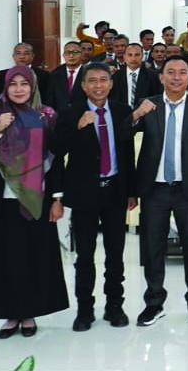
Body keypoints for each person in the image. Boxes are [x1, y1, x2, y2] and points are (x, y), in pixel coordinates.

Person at [0, 66, 69, 338]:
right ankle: (9, 314)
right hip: (1, 201)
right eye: (12, 84)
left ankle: (29, 313)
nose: (18, 89)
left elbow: (55, 158)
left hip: (37, 199)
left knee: (33, 258)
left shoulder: (46, 116)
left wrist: (58, 198)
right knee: (2, 260)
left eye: (23, 84)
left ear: (33, 86)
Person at [129, 56, 188, 327]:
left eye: (182, 72)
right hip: (153, 190)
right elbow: (123, 136)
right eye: (171, 72)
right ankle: (154, 303)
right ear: (161, 77)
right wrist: (135, 115)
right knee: (153, 248)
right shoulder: (148, 105)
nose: (176, 77)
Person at [51, 62, 137, 331]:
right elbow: (56, 150)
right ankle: (85, 310)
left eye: (104, 80)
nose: (98, 85)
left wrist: (131, 191)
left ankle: (115, 307)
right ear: (84, 85)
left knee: (115, 255)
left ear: (111, 84)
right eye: (93, 81)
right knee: (85, 255)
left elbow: (127, 154)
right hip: (84, 193)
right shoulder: (70, 113)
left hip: (115, 191)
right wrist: (77, 127)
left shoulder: (123, 111)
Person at [0, 42, 52, 107]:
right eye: (18, 53)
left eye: (26, 53)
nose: (22, 56)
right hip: (9, 116)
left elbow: (50, 100)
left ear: (32, 56)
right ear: (13, 56)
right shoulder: (3, 75)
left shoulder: (44, 75)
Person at [112, 44, 162, 110]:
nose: (133, 58)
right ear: (124, 56)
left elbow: (156, 98)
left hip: (146, 116)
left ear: (142, 56)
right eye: (130, 55)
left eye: (137, 55)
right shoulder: (116, 76)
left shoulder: (153, 76)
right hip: (122, 116)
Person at [48, 42, 89, 111]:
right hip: (60, 118)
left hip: (84, 116)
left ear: (81, 54)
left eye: (75, 52)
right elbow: (50, 100)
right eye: (67, 52)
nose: (71, 55)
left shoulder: (88, 73)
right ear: (63, 55)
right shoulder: (54, 74)